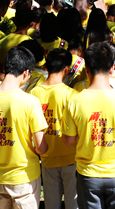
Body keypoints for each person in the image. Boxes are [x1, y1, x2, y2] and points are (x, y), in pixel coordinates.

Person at [62, 42, 115, 209]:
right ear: (113, 68)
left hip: (88, 175)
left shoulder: (74, 101)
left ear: (87, 69)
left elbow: (68, 141)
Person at [0, 46, 48, 209]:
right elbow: (41, 147)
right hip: (24, 178)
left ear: (4, 68)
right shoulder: (30, 102)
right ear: (26, 73)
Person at [30, 49, 78, 209]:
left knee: (51, 204)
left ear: (45, 66)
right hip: (71, 157)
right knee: (73, 203)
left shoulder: (34, 93)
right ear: (66, 69)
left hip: (46, 157)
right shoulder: (72, 94)